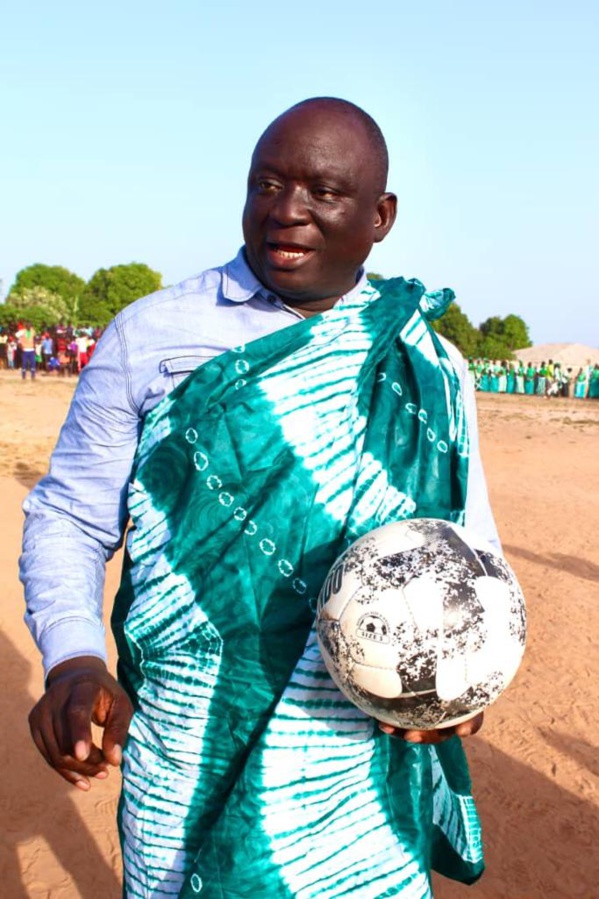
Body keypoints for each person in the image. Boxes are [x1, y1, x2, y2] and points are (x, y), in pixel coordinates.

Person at [21, 98, 501, 898]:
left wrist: (460, 685)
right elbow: (70, 515)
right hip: (190, 743)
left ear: (379, 215)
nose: (287, 211)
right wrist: (72, 658)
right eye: (267, 184)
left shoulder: (431, 368)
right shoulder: (152, 336)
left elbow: (467, 553)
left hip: (362, 763)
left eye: (322, 191)